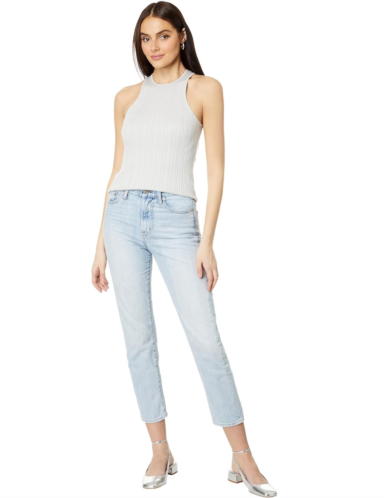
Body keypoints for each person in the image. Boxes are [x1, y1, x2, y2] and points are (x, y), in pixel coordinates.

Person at [91, 2, 277, 496]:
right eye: (145, 38)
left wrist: (208, 241)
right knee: (138, 340)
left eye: (163, 36)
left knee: (205, 340)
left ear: (182, 36)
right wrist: (99, 245)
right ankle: (160, 448)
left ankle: (242, 455)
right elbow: (116, 169)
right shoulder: (126, 97)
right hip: (121, 216)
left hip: (176, 221)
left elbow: (217, 169)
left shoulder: (205, 89)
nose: (153, 46)